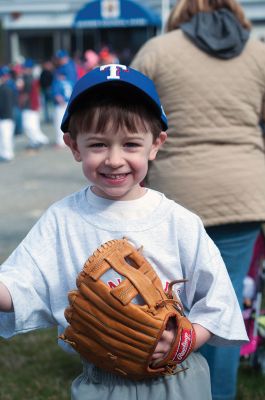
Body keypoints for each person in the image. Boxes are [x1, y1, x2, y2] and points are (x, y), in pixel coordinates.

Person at [0, 64, 248, 400]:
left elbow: (218, 303)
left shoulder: (178, 221)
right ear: (74, 146)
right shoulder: (62, 219)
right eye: (98, 144)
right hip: (101, 384)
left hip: (177, 380)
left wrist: (181, 341)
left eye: (131, 144)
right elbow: (19, 285)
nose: (114, 159)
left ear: (155, 144)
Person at [130, 1, 265, 399]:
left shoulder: (156, 52)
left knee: (165, 301)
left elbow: (130, 120)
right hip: (243, 195)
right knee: (224, 306)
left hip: (175, 196)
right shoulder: (258, 53)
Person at [19, 59, 49, 149]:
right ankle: (35, 141)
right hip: (34, 104)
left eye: (25, 68)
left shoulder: (27, 78)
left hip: (30, 105)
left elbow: (25, 95)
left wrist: (20, 102)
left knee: (28, 126)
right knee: (33, 126)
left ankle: (40, 140)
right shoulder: (32, 77)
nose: (23, 69)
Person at [51, 65, 73, 147]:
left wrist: (61, 101)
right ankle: (70, 139)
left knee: (59, 123)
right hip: (69, 104)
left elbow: (57, 96)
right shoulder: (69, 82)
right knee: (68, 123)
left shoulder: (57, 82)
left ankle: (60, 141)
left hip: (61, 105)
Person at [0, 66, 16, 162]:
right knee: (5, 137)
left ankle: (7, 154)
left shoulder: (4, 88)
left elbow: (3, 105)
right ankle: (5, 153)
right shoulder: (8, 87)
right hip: (7, 116)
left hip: (5, 116)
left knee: (5, 137)